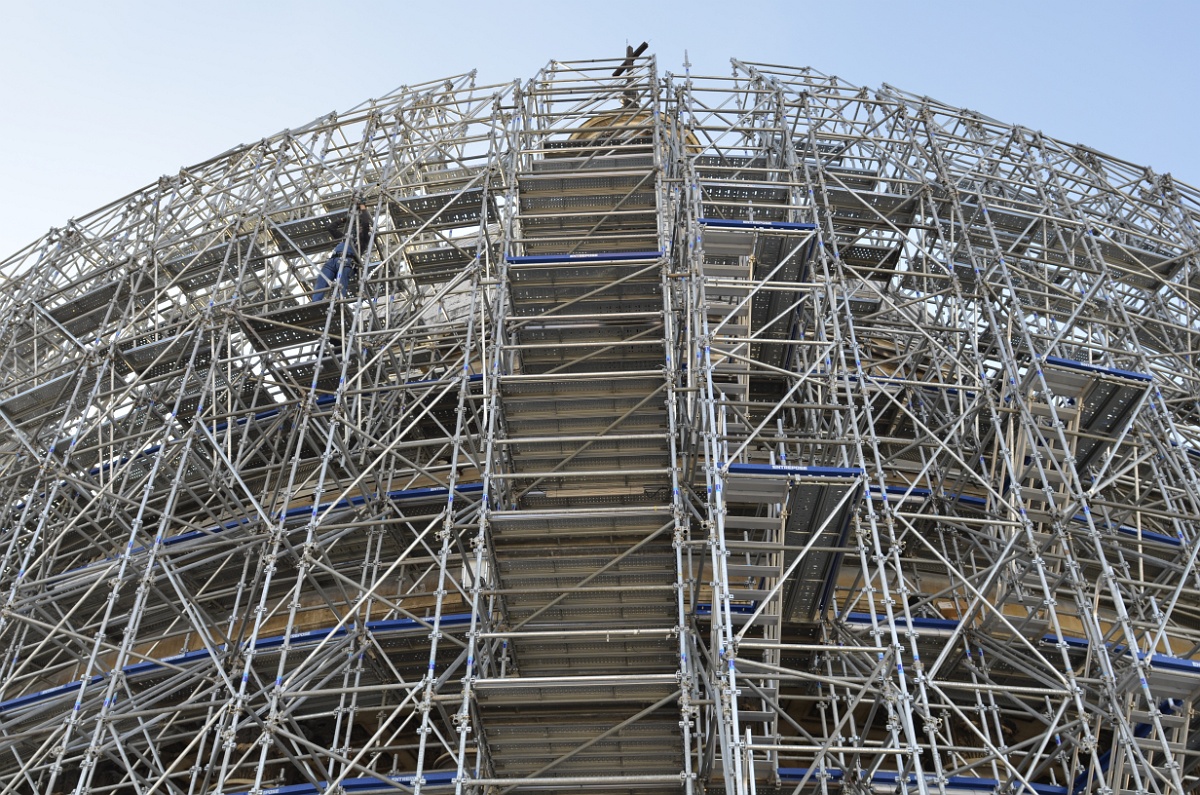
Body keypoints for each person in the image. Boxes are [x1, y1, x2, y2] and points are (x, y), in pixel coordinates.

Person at [311, 201, 374, 302]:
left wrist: (363, 208)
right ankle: (315, 301)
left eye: (362, 227)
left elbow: (366, 223)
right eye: (359, 226)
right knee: (322, 280)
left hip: (347, 261)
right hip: (332, 260)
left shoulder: (363, 240)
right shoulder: (345, 238)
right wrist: (343, 220)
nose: (360, 228)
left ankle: (337, 298)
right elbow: (331, 228)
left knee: (341, 281)